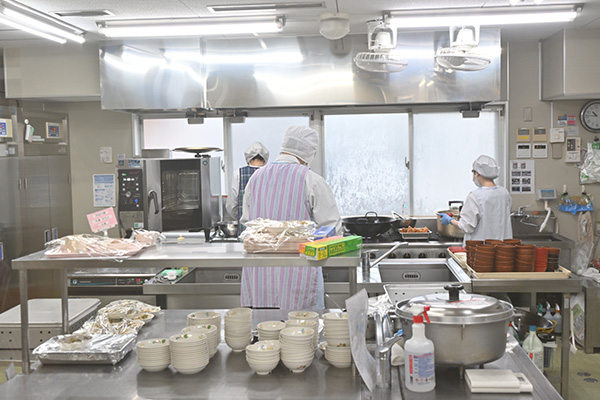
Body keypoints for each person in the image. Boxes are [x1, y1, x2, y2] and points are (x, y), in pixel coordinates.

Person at [240, 126, 341, 309]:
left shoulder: (255, 178)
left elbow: (247, 224)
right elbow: (332, 230)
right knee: (301, 324)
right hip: (299, 276)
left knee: (263, 324)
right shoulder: (311, 180)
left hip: (260, 275)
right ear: (309, 153)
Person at [439, 155, 512, 242]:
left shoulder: (475, 196)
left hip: (480, 248)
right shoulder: (504, 193)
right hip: (502, 247)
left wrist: (450, 220)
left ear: (477, 173)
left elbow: (467, 226)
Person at [225, 142, 270, 236]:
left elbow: (231, 204)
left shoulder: (238, 173)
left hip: (245, 229)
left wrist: (240, 216)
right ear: (265, 159)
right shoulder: (271, 173)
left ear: (248, 158)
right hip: (268, 228)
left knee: (245, 245)